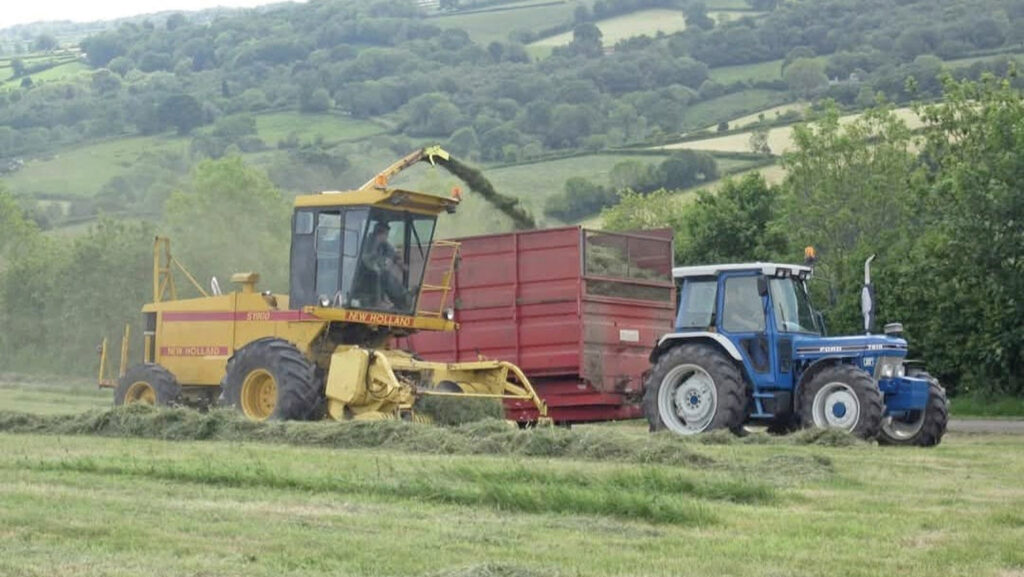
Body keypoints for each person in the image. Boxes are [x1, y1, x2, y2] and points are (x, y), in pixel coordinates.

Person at [359, 221, 410, 310]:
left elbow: (393, 253)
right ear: (379, 234)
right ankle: (378, 301)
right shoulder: (368, 243)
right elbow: (365, 258)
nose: (387, 237)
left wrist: (401, 265)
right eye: (386, 234)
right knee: (381, 273)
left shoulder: (384, 244)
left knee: (387, 275)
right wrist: (382, 263)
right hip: (363, 273)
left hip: (375, 269)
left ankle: (403, 296)